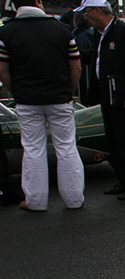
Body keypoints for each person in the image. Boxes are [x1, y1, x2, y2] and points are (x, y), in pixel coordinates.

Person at [0, 0, 84, 211]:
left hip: (27, 100)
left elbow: (2, 72)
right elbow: (76, 68)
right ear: (38, 2)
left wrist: (17, 92)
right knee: (66, 147)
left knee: (33, 149)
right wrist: (69, 92)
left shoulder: (6, 32)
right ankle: (74, 199)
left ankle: (35, 201)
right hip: (60, 98)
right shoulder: (62, 30)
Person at [78, 0, 125, 200]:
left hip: (121, 97)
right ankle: (123, 179)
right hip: (106, 95)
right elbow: (97, 62)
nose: (85, 17)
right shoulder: (100, 34)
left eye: (87, 12)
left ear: (98, 11)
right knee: (113, 140)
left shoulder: (124, 32)